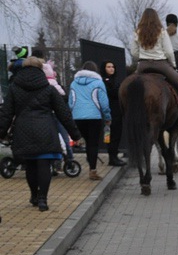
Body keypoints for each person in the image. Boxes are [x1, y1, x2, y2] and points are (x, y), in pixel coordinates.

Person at [0, 57, 82, 212]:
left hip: (23, 130)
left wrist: (1, 132)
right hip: (46, 129)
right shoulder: (48, 88)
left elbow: (6, 114)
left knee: (30, 165)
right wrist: (75, 134)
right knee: (44, 164)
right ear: (41, 69)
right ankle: (43, 199)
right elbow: (64, 113)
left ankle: (34, 196)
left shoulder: (14, 88)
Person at [129, 8, 178, 123]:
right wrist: (173, 65)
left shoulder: (137, 32)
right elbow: (169, 52)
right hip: (161, 65)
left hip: (143, 65)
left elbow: (134, 52)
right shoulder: (161, 32)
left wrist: (142, 57)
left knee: (129, 86)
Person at [67, 61, 112, 181]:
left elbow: (71, 102)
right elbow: (104, 103)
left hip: (77, 117)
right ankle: (92, 170)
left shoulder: (73, 83)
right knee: (93, 144)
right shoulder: (98, 83)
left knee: (87, 142)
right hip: (94, 117)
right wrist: (107, 117)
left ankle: (90, 160)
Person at [101, 61, 126, 166]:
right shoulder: (103, 81)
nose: (111, 69)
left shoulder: (115, 80)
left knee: (116, 135)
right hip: (109, 113)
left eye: (113, 67)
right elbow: (112, 92)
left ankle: (114, 156)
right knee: (110, 136)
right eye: (108, 67)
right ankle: (112, 158)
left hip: (117, 112)